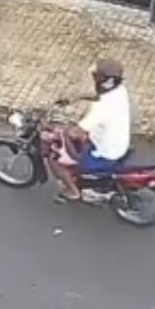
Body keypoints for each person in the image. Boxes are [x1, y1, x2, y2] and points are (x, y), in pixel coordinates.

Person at [48, 58, 131, 203]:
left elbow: (76, 132)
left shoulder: (102, 109)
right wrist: (77, 98)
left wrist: (59, 129)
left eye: (96, 77)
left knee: (55, 159)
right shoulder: (119, 90)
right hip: (116, 143)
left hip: (104, 153)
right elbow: (98, 96)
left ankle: (73, 192)